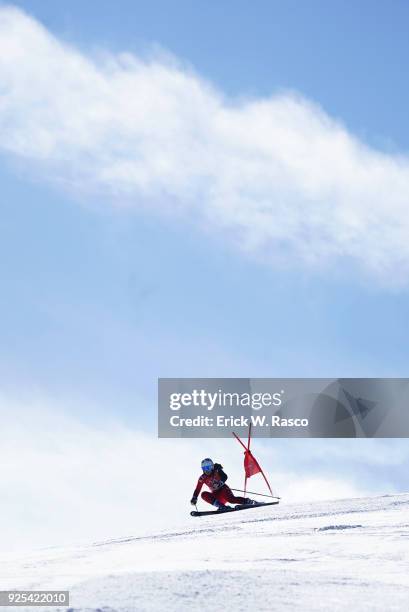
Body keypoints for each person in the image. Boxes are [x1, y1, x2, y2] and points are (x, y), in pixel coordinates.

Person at [190, 458, 256, 510]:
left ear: (212, 467)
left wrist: (219, 483)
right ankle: (221, 506)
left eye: (208, 468)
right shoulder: (202, 478)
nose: (206, 470)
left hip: (223, 489)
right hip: (217, 496)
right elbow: (197, 489)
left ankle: (248, 501)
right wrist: (194, 498)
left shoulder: (216, 470)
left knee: (231, 500)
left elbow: (225, 476)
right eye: (204, 468)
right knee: (203, 494)